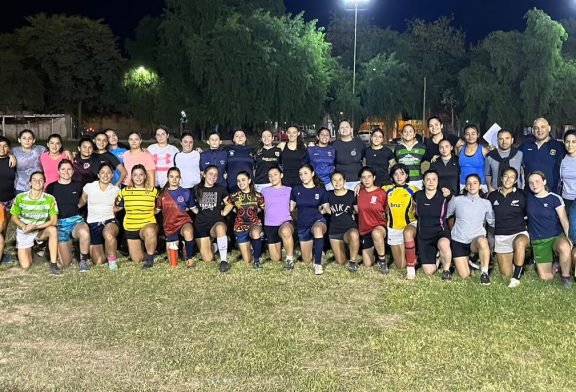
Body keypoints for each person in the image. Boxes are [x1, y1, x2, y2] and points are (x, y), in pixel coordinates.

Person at [526, 171, 572, 287]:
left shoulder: (555, 198)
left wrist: (569, 238)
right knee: (546, 278)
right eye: (531, 183)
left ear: (544, 181)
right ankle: (556, 265)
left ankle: (565, 277)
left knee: (564, 246)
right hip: (539, 240)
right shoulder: (528, 199)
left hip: (556, 236)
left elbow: (564, 220)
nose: (534, 185)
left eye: (537, 181)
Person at [447, 174, 495, 284]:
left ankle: (484, 273)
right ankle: (468, 261)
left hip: (475, 240)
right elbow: (446, 215)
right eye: (468, 183)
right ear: (465, 186)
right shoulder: (457, 200)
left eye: (475, 183)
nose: (471, 185)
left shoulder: (486, 203)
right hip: (458, 239)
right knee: (464, 275)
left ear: (480, 186)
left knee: (483, 241)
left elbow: (492, 222)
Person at [10, 171, 60, 275]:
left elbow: (53, 221)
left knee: (53, 230)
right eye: (34, 180)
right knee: (26, 266)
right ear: (30, 183)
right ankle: (35, 249)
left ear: (44, 183)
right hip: (25, 231)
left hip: (39, 230)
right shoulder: (20, 197)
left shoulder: (50, 199)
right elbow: (14, 218)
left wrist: (36, 226)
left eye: (41, 179)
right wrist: (24, 226)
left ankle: (54, 265)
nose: (37, 182)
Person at [45, 160, 91, 271]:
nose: (66, 172)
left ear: (73, 171)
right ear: (58, 171)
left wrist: (79, 205)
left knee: (84, 232)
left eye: (69, 169)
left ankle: (83, 260)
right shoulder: (51, 187)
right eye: (63, 169)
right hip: (60, 224)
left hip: (76, 221)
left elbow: (83, 199)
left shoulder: (79, 185)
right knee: (65, 263)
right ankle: (70, 246)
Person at [487, 168, 529, 288]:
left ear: (515, 180)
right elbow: (489, 218)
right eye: (506, 176)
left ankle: (516, 277)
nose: (508, 179)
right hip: (501, 236)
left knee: (520, 242)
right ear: (501, 178)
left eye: (512, 177)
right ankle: (518, 264)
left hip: (518, 232)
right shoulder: (492, 196)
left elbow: (527, 214)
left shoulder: (521, 195)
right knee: (506, 274)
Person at [79, 163, 121, 270]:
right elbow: (82, 201)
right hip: (93, 224)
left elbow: (120, 205)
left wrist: (117, 208)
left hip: (109, 221)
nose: (105, 175)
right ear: (98, 175)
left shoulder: (116, 190)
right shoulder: (89, 187)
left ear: (112, 175)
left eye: (108, 173)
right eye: (102, 172)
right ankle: (109, 250)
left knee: (108, 233)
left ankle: (112, 261)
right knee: (99, 261)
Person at [115, 165, 159, 268]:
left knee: (150, 231)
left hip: (148, 224)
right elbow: (118, 208)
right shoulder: (124, 192)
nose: (138, 177)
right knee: (137, 260)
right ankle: (147, 251)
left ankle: (150, 259)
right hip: (131, 227)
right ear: (132, 177)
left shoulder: (153, 191)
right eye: (135, 175)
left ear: (145, 176)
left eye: (141, 175)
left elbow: (159, 208)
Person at [290, 164, 329, 275]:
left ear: (312, 174)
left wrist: (321, 213)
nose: (303, 176)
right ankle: (317, 249)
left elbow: (327, 208)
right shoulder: (296, 189)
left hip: (317, 221)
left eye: (306, 173)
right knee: (307, 260)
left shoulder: (320, 190)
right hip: (303, 225)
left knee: (317, 230)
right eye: (300, 174)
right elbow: (291, 208)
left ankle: (318, 264)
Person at [413, 170, 453, 279]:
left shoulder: (444, 195)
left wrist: (449, 192)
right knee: (429, 272)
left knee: (444, 244)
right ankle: (438, 257)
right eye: (428, 179)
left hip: (440, 232)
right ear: (423, 182)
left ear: (438, 181)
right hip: (424, 236)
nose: (431, 182)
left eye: (434, 179)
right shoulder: (417, 196)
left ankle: (446, 270)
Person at [383, 164, 419, 279]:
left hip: (409, 225)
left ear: (407, 175)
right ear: (392, 176)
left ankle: (417, 257)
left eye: (402, 173)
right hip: (393, 228)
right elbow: (370, 189)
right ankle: (415, 257)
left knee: (407, 233)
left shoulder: (414, 190)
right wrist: (359, 185)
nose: (399, 177)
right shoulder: (385, 189)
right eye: (396, 174)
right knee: (400, 265)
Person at [222, 172, 265, 269]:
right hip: (240, 227)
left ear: (249, 181)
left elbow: (265, 209)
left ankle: (257, 260)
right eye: (238, 181)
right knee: (247, 260)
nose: (241, 183)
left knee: (255, 233)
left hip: (254, 224)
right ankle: (252, 247)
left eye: (243, 180)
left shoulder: (258, 196)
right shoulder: (233, 196)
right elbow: (224, 212)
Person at [157, 167, 197, 267]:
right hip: (169, 226)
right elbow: (156, 211)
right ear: (167, 178)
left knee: (188, 231)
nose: (174, 179)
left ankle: (189, 258)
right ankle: (181, 246)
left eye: (177, 177)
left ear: (180, 178)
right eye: (171, 177)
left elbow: (194, 209)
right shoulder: (161, 194)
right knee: (173, 263)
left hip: (183, 221)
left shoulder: (186, 192)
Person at [193, 166, 229, 272]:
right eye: (210, 174)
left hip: (215, 223)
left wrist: (225, 211)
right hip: (201, 225)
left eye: (215, 175)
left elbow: (230, 203)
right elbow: (190, 205)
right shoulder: (196, 189)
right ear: (204, 174)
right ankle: (214, 245)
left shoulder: (220, 188)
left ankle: (223, 260)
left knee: (221, 228)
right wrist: (197, 211)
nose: (213, 176)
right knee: (208, 259)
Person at [325, 171, 360, 271]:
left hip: (349, 229)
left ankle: (352, 261)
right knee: (341, 262)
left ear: (344, 181)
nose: (337, 182)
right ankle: (347, 251)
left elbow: (358, 211)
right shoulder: (328, 195)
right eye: (334, 180)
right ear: (331, 182)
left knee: (354, 234)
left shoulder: (351, 194)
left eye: (340, 179)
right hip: (334, 231)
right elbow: (322, 208)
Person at [261, 167, 295, 269]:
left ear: (281, 175)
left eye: (275, 174)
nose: (273, 177)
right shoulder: (264, 191)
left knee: (285, 231)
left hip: (285, 222)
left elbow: (295, 205)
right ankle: (285, 249)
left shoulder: (289, 190)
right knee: (275, 259)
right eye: (270, 176)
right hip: (270, 225)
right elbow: (261, 206)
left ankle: (289, 259)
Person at [519, 117, 565, 193]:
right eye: (536, 128)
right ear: (533, 131)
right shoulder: (525, 146)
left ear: (549, 128)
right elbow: (510, 156)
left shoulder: (559, 146)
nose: (539, 130)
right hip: (529, 194)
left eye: (543, 127)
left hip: (552, 194)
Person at [356, 166, 388, 272]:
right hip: (365, 229)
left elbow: (387, 210)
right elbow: (356, 209)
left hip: (379, 226)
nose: (366, 179)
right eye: (363, 177)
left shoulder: (381, 193)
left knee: (376, 233)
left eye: (369, 176)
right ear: (360, 179)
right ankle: (374, 252)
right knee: (367, 264)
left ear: (374, 178)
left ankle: (382, 262)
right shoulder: (359, 192)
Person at [332, 120, 365, 190]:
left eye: (347, 127)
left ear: (351, 129)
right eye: (342, 127)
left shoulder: (359, 143)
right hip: (340, 182)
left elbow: (364, 160)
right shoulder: (333, 145)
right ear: (338, 131)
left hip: (357, 182)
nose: (344, 129)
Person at [394, 124, 426, 189]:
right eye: (405, 131)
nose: (408, 133)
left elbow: (425, 160)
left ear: (414, 134)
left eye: (410, 131)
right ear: (402, 134)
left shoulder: (422, 147)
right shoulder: (398, 148)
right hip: (402, 181)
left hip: (417, 181)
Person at [13, 130, 45, 194]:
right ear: (19, 140)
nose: (27, 141)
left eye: (30, 138)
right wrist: (10, 155)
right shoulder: (14, 151)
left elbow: (54, 153)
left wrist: (66, 152)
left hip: (38, 186)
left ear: (34, 140)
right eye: (24, 138)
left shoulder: (41, 149)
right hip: (20, 187)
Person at [458, 124, 489, 192]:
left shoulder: (484, 150)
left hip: (480, 186)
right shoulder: (460, 149)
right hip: (463, 185)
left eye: (473, 134)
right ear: (464, 135)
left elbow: (490, 169)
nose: (470, 136)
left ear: (478, 135)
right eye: (467, 134)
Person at [225, 129, 254, 193]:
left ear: (245, 138)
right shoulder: (227, 149)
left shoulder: (251, 150)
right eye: (237, 136)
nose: (240, 138)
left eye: (242, 136)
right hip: (232, 184)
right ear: (233, 139)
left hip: (248, 185)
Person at [0, 136, 16, 237]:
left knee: (5, 226)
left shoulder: (13, 161)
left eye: (5, 146)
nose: (2, 148)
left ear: (9, 148)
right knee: (1, 225)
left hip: (9, 199)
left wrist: (11, 156)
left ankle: (2, 249)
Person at [560, 129, 576, 212]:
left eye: (574, 142)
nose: (570, 145)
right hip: (565, 200)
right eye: (567, 141)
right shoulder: (562, 159)